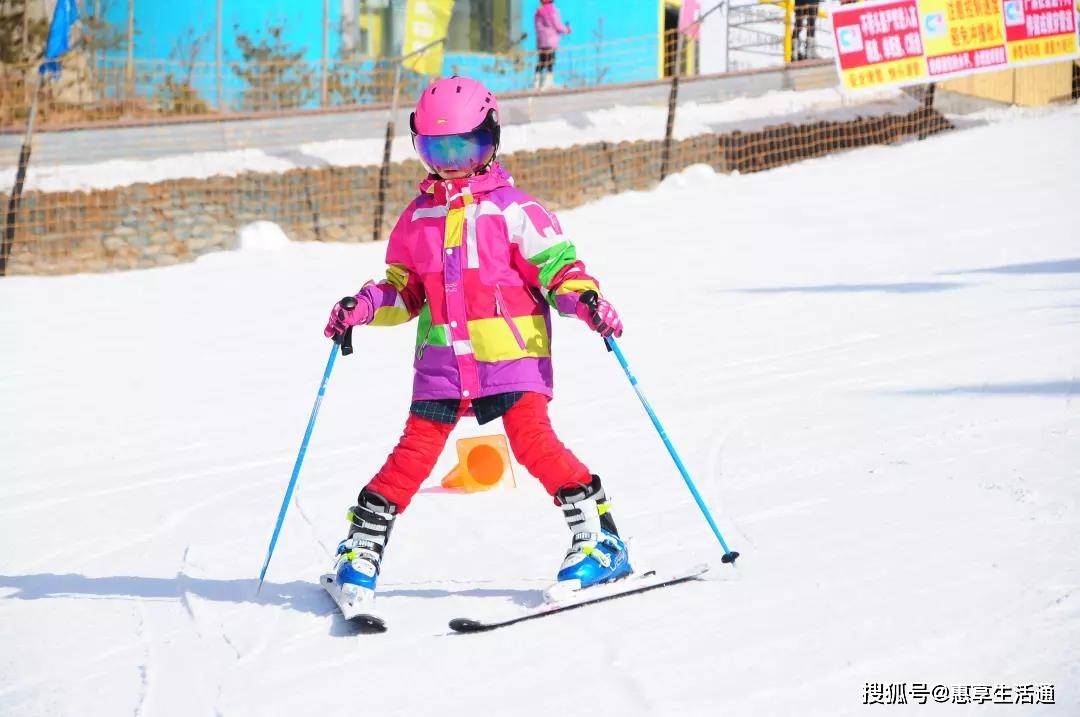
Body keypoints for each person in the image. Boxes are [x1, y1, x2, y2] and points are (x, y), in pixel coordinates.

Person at [323, 76, 631, 608]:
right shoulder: (416, 219)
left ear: (490, 141)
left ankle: (601, 539)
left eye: (465, 145)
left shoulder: (517, 212)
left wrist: (583, 300)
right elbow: (405, 291)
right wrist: (366, 306)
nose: (451, 160)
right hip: (442, 363)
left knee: (533, 442)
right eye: (436, 148)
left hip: (511, 356)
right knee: (413, 454)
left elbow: (561, 269)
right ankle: (359, 547)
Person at [534, 0, 571, 90]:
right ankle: (548, 83)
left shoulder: (538, 12)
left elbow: (537, 26)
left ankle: (537, 83)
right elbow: (557, 25)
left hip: (541, 41)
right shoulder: (553, 11)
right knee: (550, 61)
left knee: (541, 61)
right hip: (551, 41)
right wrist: (567, 29)